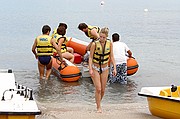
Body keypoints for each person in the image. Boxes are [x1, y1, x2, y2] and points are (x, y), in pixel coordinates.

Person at [88, 27, 117, 113]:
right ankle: (98, 107)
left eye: (103, 37)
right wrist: (90, 69)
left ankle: (98, 103)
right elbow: (90, 57)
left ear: (106, 37)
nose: (101, 39)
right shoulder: (94, 44)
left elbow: (111, 57)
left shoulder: (110, 44)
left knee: (103, 90)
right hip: (95, 68)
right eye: (100, 37)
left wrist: (114, 68)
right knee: (98, 89)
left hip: (105, 68)